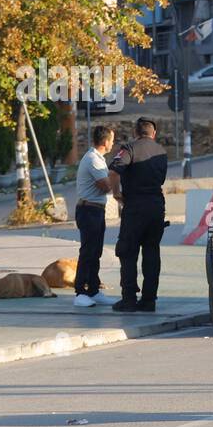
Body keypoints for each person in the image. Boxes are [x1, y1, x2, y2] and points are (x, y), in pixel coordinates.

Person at [109, 117, 168, 313]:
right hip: (156, 206)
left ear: (136, 132)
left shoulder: (129, 148)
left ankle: (129, 299)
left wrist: (117, 194)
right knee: (152, 253)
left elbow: (114, 172)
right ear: (154, 133)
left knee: (127, 252)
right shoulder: (161, 151)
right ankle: (149, 300)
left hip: (135, 207)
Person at [73, 125, 118, 307]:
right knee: (88, 251)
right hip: (88, 210)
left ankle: (93, 289)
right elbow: (105, 185)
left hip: (96, 210)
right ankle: (80, 292)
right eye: (112, 140)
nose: (113, 144)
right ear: (106, 142)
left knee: (96, 251)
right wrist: (116, 174)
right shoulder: (93, 159)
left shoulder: (98, 158)